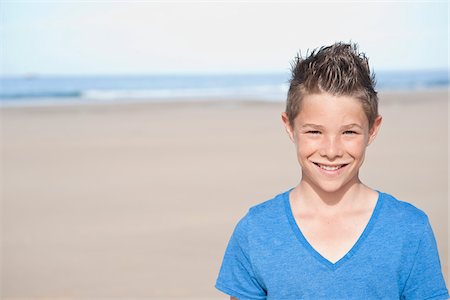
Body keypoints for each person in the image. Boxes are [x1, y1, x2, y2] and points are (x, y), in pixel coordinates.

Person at [215, 42, 449, 299]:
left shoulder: (409, 230)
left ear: (372, 129)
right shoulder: (256, 231)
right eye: (315, 131)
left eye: (349, 132)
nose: (331, 150)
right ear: (290, 126)